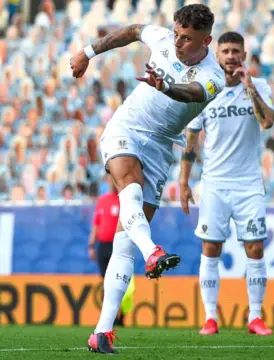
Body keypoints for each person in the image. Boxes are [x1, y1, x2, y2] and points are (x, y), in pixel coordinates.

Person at [70, 4, 225, 354]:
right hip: (126, 127)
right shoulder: (163, 38)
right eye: (178, 34)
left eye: (189, 39)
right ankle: (152, 250)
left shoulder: (213, 73)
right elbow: (132, 30)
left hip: (160, 148)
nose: (180, 43)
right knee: (131, 189)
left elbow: (192, 94)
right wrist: (88, 52)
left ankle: (102, 331)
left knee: (124, 244)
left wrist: (168, 86)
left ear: (206, 40)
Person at [179, 32, 274, 336]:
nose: (231, 56)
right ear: (216, 56)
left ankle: (255, 317)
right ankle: (210, 318)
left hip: (248, 184)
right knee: (210, 248)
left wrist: (249, 89)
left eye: (236, 51)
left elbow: (268, 121)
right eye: (226, 51)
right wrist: (183, 182)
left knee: (255, 248)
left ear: (244, 55)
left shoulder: (259, 87)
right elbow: (191, 142)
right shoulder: (207, 90)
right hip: (215, 184)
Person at [88, 179, 135, 327]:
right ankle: (108, 318)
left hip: (118, 247)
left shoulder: (124, 200)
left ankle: (120, 317)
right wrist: (91, 245)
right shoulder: (102, 200)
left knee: (119, 282)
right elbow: (96, 224)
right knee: (105, 283)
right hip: (103, 246)